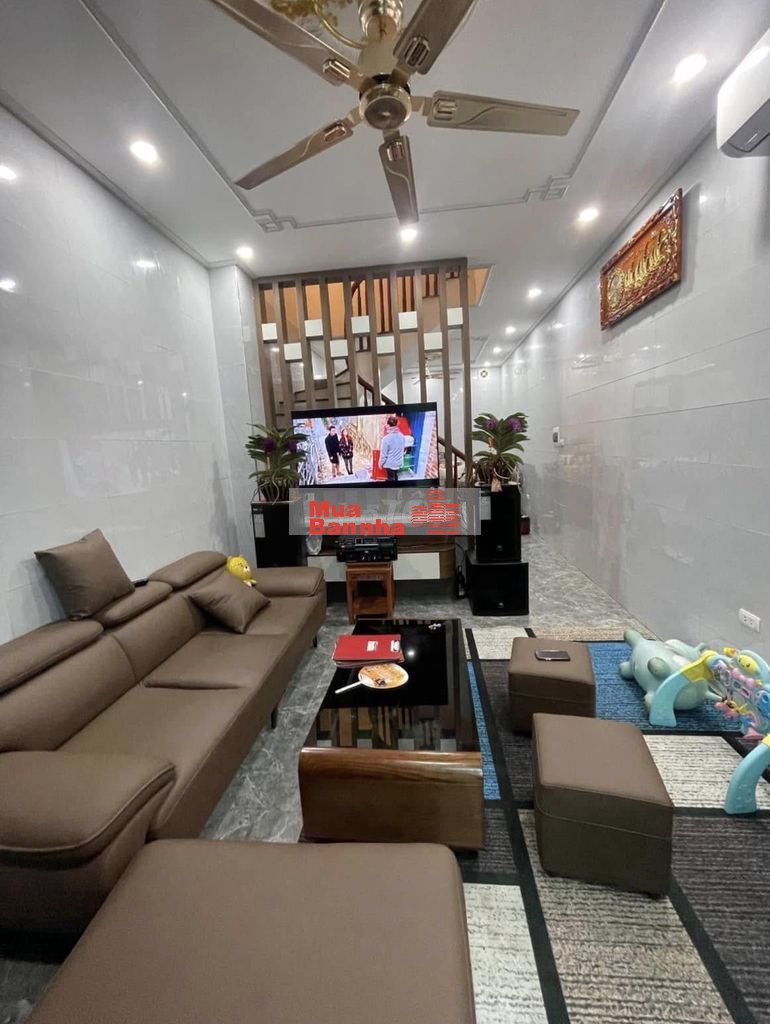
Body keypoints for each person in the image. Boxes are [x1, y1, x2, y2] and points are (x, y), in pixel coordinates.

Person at [379, 415, 406, 483]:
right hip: (398, 463)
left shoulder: (386, 439)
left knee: (390, 479)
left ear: (388, 426)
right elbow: (402, 451)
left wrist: (380, 464)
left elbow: (383, 455)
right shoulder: (402, 437)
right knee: (395, 476)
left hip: (390, 465)